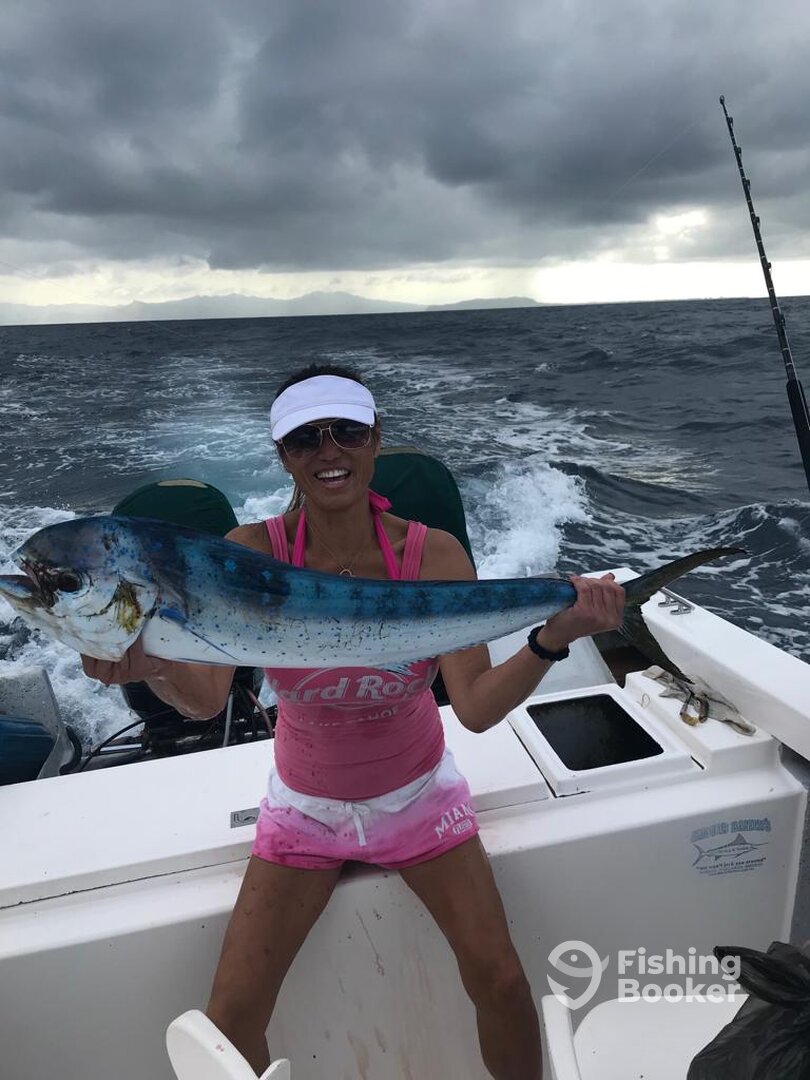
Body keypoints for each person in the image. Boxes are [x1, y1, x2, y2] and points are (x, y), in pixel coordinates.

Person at [82, 364, 625, 1080]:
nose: (328, 449)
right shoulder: (247, 555)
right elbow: (207, 700)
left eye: (347, 431)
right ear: (281, 455)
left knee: (501, 983)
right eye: (305, 438)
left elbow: (477, 707)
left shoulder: (430, 554)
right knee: (230, 1018)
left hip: (420, 799)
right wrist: (151, 665)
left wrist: (552, 638)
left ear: (376, 440)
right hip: (305, 811)